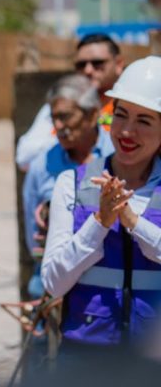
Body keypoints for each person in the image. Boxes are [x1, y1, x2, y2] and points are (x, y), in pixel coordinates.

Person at [41, 56, 161, 381]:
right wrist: (100, 222)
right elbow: (53, 283)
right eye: (120, 115)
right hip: (85, 358)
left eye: (144, 121)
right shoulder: (73, 182)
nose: (126, 130)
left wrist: (133, 222)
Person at [22, 74, 114, 298]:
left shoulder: (117, 156)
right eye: (54, 118)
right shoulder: (41, 166)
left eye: (65, 117)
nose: (58, 126)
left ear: (93, 115)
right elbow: (31, 235)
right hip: (54, 282)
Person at [16, 33, 125, 171]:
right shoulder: (59, 107)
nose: (88, 70)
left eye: (98, 63)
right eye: (81, 65)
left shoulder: (130, 107)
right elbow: (24, 157)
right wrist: (72, 138)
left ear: (119, 64)